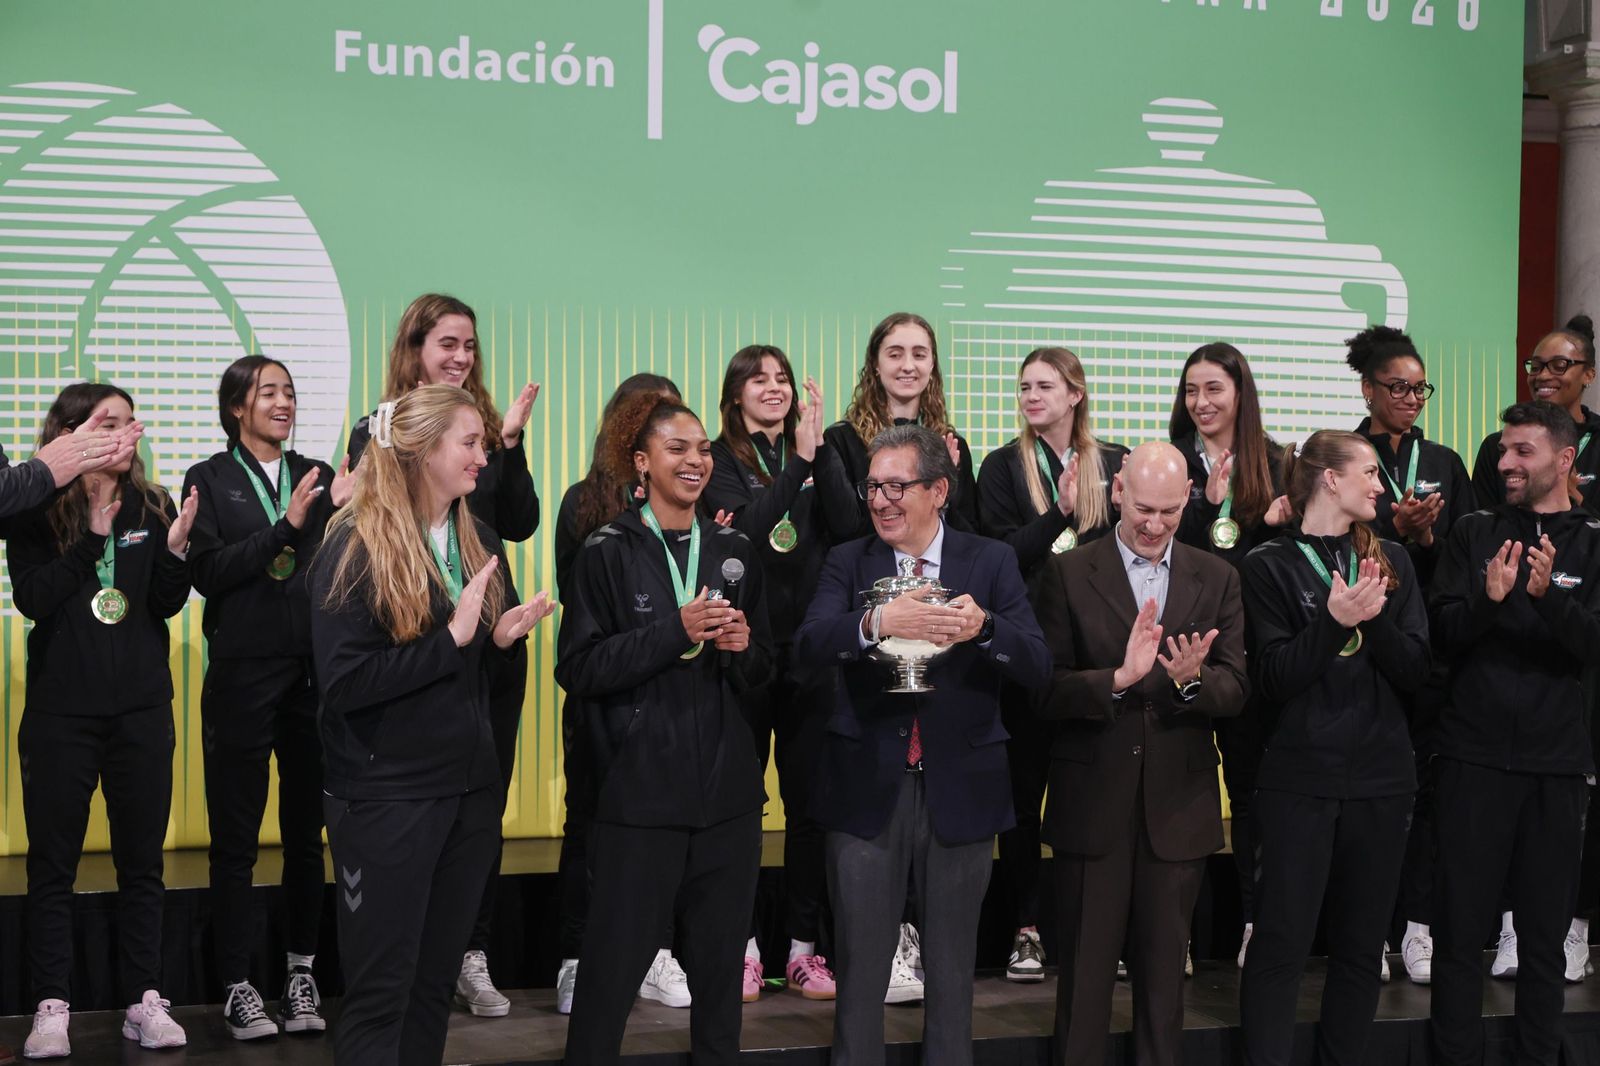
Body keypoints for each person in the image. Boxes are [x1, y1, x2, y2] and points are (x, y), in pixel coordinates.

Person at [311, 384, 553, 1066]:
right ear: (421, 453)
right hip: (387, 800)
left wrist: (496, 643)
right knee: (381, 994)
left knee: (430, 990)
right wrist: (451, 640)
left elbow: (463, 670)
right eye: (470, 444)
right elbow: (346, 684)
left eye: (483, 442)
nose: (484, 457)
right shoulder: (353, 545)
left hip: (468, 793)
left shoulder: (470, 535)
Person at [796, 423, 1050, 1066]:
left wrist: (984, 626)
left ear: (938, 490)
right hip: (864, 792)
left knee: (951, 970)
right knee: (859, 971)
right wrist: (877, 620)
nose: (880, 500)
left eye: (895, 486)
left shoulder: (988, 562)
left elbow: (1038, 664)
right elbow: (806, 647)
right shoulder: (848, 561)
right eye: (872, 486)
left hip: (960, 790)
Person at [556, 394, 773, 1066]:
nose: (696, 460)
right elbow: (579, 667)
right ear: (642, 462)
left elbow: (768, 674)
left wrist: (744, 652)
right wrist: (669, 634)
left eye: (704, 448)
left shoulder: (735, 547)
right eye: (678, 448)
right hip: (639, 801)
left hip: (730, 804)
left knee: (719, 998)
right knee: (607, 986)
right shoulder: (607, 550)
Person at [346, 293, 541, 1017]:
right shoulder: (382, 428)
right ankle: (419, 949)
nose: (460, 358)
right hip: (418, 638)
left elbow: (516, 521)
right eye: (447, 344)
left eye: (469, 346)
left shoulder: (485, 428)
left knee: (480, 809)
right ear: (415, 348)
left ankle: (470, 949)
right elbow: (365, 522)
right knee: (425, 809)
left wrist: (510, 445)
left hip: (492, 637)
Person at [1032, 441, 1247, 1066]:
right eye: (1144, 509)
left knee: (1163, 994)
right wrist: (1118, 680)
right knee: (1084, 990)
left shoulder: (1220, 576)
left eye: (1170, 512)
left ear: (1188, 501)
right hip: (1092, 807)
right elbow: (1043, 691)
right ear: (1118, 490)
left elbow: (1236, 686)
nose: (1154, 525)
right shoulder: (1069, 572)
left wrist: (1187, 683)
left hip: (1177, 810)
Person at [9, 383, 198, 1059]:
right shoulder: (32, 507)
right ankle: (51, 1005)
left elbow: (164, 607)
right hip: (62, 714)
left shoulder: (152, 504)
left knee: (141, 864)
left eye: (127, 422)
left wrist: (175, 553)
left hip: (143, 712)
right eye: (104, 423)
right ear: (70, 432)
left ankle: (144, 1000)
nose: (122, 434)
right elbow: (33, 598)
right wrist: (91, 539)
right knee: (52, 867)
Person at [1237, 430, 1429, 1066]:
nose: (1382, 486)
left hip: (1382, 782)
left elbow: (1418, 674)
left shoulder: (1391, 562)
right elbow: (1272, 679)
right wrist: (1333, 622)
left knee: (1360, 950)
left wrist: (1370, 620)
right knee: (1280, 947)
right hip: (1300, 782)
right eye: (1370, 473)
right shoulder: (1267, 564)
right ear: (1329, 479)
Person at [182, 356, 353, 1038]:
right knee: (235, 841)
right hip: (242, 679)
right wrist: (283, 529)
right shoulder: (209, 479)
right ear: (236, 409)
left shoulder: (315, 472)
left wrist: (351, 502)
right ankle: (235, 982)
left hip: (312, 678)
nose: (283, 402)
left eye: (288, 391)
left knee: (307, 838)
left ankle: (301, 973)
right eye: (268, 392)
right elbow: (207, 572)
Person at [1428, 401, 1600, 1066]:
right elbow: (1441, 636)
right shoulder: (1473, 532)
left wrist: (1546, 597)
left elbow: (1592, 646)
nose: (1505, 462)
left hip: (1556, 767)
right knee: (1460, 930)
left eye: (1522, 451)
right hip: (1470, 759)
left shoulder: (1592, 539)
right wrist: (1488, 601)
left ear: (1565, 459)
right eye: (1504, 450)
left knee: (1543, 938)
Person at [817, 312, 980, 995]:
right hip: (866, 668)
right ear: (874, 362)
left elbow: (962, 542)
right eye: (895, 352)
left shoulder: (954, 446)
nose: (908, 363)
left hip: (938, 671)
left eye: (920, 353)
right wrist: (885, 611)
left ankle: (913, 940)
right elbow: (847, 531)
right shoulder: (838, 441)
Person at [705, 345, 859, 1003]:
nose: (774, 387)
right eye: (758, 379)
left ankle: (800, 949)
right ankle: (739, 948)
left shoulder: (821, 451)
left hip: (812, 652)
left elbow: (851, 529)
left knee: (809, 809)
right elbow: (748, 539)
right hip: (743, 648)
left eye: (783, 379)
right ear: (735, 393)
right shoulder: (713, 460)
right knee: (741, 807)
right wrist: (797, 459)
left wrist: (818, 452)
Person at [975, 346, 1128, 982]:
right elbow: (1000, 556)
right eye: (1025, 387)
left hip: (1097, 656)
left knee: (1095, 797)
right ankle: (1027, 930)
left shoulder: (1115, 463)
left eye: (1046, 386)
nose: (1033, 396)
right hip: (1024, 656)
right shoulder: (1002, 466)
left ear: (1076, 394)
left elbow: (1133, 547)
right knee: (1021, 799)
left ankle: (1102, 932)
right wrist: (1060, 512)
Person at [550, 372, 685, 1014]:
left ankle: (655, 952)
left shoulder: (692, 508)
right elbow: (584, 623)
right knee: (589, 828)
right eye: (652, 424)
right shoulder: (584, 504)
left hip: (674, 703)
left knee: (663, 834)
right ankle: (578, 959)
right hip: (604, 701)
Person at [1342, 326, 1473, 985]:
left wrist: (1424, 538)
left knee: (1424, 799)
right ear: (1367, 389)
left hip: (1424, 651)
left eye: (1419, 387)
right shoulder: (1341, 456)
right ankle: (1364, 932)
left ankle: (1417, 927)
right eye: (1398, 387)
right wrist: (1391, 531)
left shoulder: (1446, 462)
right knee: (1362, 801)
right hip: (1354, 648)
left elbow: (1469, 556)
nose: (1412, 398)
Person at [1168, 342, 1289, 967]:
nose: (1201, 403)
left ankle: (1252, 922)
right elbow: (1168, 555)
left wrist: (1259, 525)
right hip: (1182, 650)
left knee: (1247, 794)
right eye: (1191, 390)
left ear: (1241, 392)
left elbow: (1267, 568)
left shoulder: (1276, 462)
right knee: (1177, 794)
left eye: (1213, 389)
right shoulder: (1168, 461)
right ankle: (1173, 935)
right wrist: (1206, 507)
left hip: (1249, 654)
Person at [1472, 316, 1600, 514]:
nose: (1543, 376)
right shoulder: (1496, 447)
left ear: (1589, 374)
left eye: (1559, 366)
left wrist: (1573, 497)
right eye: (1536, 366)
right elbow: (1481, 528)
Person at [0, 405, 141, 519]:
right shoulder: (54, 512)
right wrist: (44, 472)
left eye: (130, 424)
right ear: (66, 435)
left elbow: (8, 518)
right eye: (109, 425)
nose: (123, 435)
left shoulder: (153, 502)